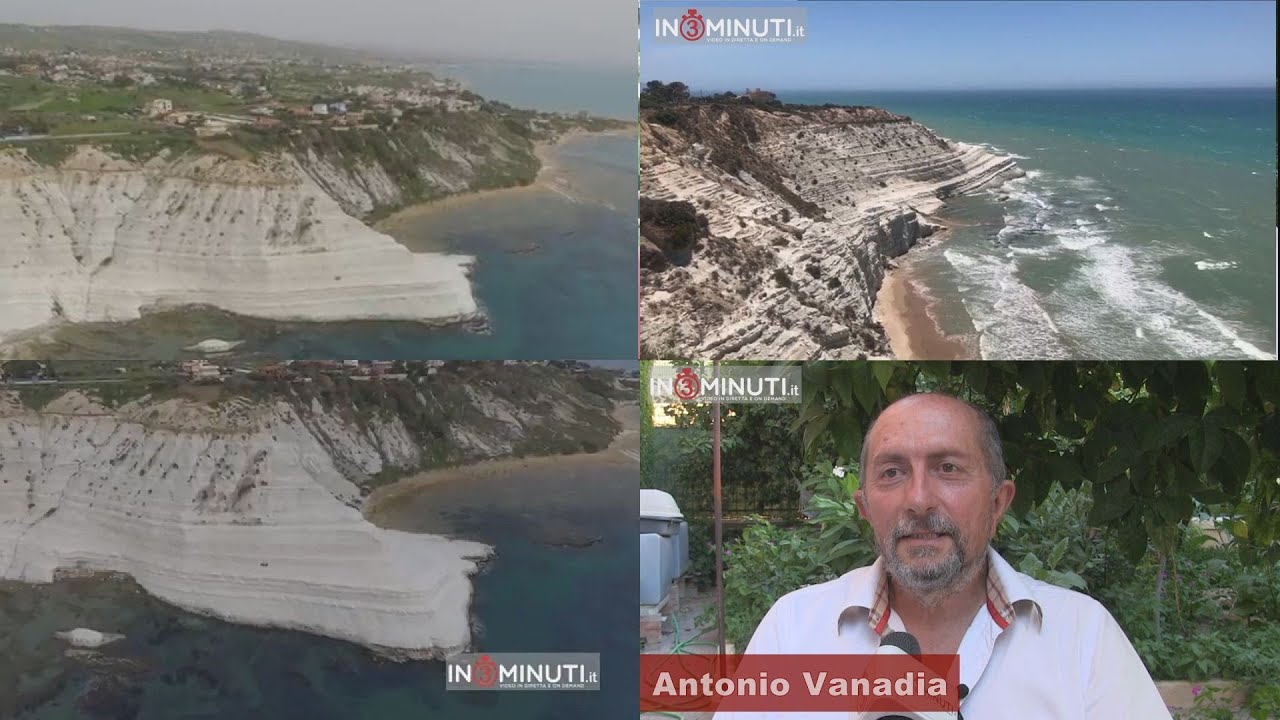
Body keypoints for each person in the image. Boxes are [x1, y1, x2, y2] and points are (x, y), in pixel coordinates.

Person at [721, 393, 1172, 719]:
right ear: (865, 510)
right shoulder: (793, 629)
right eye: (892, 472)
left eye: (948, 468)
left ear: (998, 502)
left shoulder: (1083, 635)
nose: (918, 499)